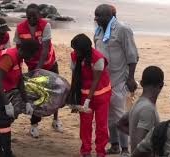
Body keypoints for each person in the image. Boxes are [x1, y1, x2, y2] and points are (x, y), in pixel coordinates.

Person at [94, 4, 139, 155]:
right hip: (104, 80)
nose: (96, 18)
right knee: (108, 115)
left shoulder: (123, 30)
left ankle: (125, 149)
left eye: (99, 15)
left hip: (120, 79)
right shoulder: (98, 31)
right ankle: (114, 145)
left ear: (109, 16)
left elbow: (132, 55)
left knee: (119, 115)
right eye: (95, 15)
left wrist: (131, 78)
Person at [13, 3, 62, 138]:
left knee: (56, 92)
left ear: (40, 15)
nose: (31, 19)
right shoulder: (20, 28)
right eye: (29, 16)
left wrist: (39, 69)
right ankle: (34, 125)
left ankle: (56, 120)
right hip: (31, 65)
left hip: (49, 64)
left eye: (34, 16)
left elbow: (45, 49)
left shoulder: (45, 25)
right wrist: (21, 67)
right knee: (35, 95)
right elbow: (18, 49)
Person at [69, 34, 111, 157]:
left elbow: (96, 80)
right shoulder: (75, 56)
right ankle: (86, 150)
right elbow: (75, 77)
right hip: (84, 94)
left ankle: (100, 151)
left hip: (101, 95)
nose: (75, 51)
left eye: (77, 49)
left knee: (101, 125)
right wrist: (73, 96)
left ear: (84, 49)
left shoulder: (98, 58)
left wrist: (88, 99)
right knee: (85, 124)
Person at [118, 66, 164, 152]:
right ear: (161, 85)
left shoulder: (138, 104)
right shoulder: (148, 109)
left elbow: (120, 124)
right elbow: (138, 145)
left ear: (141, 83)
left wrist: (133, 134)